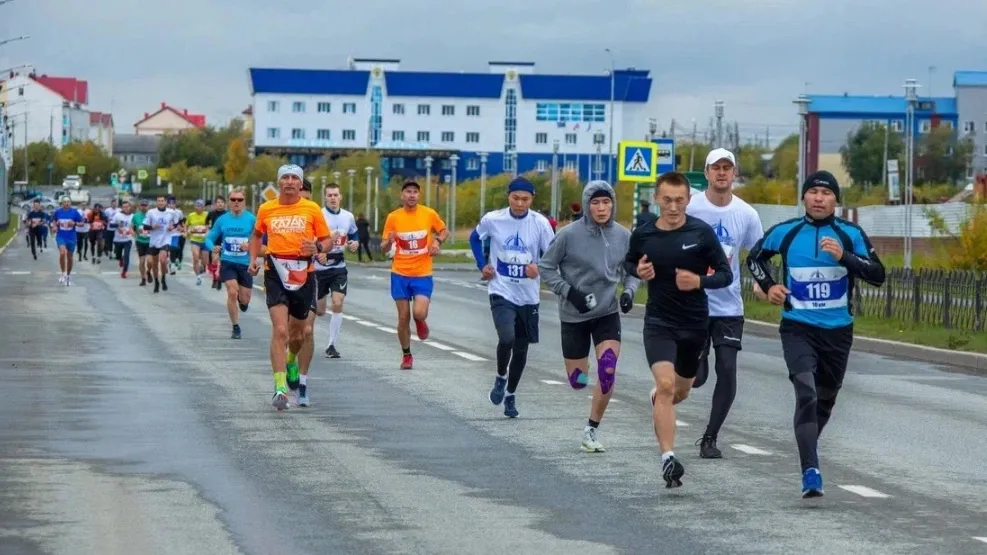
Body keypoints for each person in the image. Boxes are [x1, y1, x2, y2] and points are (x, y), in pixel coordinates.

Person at [746, 170, 885, 498]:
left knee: (825, 400)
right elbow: (754, 258)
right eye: (814, 192)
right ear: (804, 197)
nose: (819, 198)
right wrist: (770, 286)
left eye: (826, 193)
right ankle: (811, 470)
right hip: (798, 329)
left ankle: (808, 449)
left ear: (836, 200)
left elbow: (878, 274)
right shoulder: (787, 232)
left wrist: (844, 257)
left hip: (838, 333)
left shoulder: (849, 233)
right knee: (805, 394)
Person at [623, 171, 732, 488]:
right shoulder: (643, 234)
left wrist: (700, 281)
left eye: (679, 200)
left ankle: (660, 402)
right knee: (667, 385)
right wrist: (638, 270)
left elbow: (726, 274)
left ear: (688, 200)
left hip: (694, 325)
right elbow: (629, 263)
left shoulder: (701, 233)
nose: (673, 207)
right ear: (657, 199)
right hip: (658, 322)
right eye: (667, 200)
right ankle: (668, 459)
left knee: (681, 390)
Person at [539, 180, 640, 449]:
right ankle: (584, 378)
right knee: (578, 381)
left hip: (607, 312)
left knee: (607, 369)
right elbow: (546, 268)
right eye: (595, 202)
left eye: (606, 202)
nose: (601, 207)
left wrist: (629, 292)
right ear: (587, 205)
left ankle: (591, 430)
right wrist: (570, 293)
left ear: (613, 204)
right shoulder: (568, 235)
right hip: (574, 315)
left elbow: (631, 270)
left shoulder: (622, 235)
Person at [685, 148, 764, 459]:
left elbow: (758, 255)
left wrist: (762, 282)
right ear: (706, 173)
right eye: (715, 167)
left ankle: (710, 437)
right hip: (694, 304)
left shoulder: (746, 214)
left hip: (729, 306)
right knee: (698, 376)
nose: (721, 173)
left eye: (727, 168)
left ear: (734, 174)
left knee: (728, 369)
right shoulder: (692, 207)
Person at [470, 176, 554, 418]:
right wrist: (482, 265)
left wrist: (538, 268)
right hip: (501, 289)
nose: (520, 203)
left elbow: (552, 255)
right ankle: (500, 377)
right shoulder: (494, 219)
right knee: (506, 337)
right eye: (515, 198)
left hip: (528, 296)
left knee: (521, 349)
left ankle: (511, 394)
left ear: (532, 199)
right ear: (509, 197)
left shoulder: (540, 224)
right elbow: (475, 238)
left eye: (525, 199)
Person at [248, 165, 330, 411]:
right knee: (280, 330)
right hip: (275, 271)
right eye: (285, 177)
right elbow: (256, 236)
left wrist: (317, 247)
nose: (290, 182)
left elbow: (327, 240)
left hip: (303, 273)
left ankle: (292, 359)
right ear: (279, 182)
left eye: (295, 178)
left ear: (300, 183)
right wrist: (253, 260)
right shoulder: (266, 208)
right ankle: (280, 388)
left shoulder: (311, 208)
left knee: (300, 333)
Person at [380, 181, 449, 370]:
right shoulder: (393, 217)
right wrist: (389, 242)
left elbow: (444, 230)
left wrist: (437, 242)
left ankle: (420, 321)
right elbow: (383, 247)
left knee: (418, 312)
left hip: (422, 273)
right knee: (403, 318)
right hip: (400, 273)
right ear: (402, 195)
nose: (412, 195)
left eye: (415, 192)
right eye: (408, 192)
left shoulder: (428, 214)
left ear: (419, 195)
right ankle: (407, 355)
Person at [314, 183, 359, 358]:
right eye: (329, 195)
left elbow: (354, 234)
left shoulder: (348, 217)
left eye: (335, 195)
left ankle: (331, 344)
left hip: (339, 267)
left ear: (340, 197)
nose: (333, 198)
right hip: (319, 268)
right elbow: (310, 239)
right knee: (320, 311)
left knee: (338, 303)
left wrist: (354, 243)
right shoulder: (319, 215)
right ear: (325, 198)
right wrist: (319, 253)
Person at [205, 188, 256, 340]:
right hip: (228, 261)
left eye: (239, 200)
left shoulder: (252, 219)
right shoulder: (222, 220)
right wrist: (212, 247)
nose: (236, 202)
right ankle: (235, 327)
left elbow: (261, 239)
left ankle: (243, 302)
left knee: (244, 299)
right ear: (229, 201)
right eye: (233, 199)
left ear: (244, 202)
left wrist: (250, 246)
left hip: (245, 263)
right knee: (232, 291)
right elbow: (209, 238)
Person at [143, 195, 179, 293]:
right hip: (154, 241)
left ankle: (163, 279)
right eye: (159, 201)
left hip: (166, 239)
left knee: (163, 260)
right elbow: (145, 226)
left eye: (162, 201)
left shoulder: (171, 212)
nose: (161, 202)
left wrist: (172, 227)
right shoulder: (151, 212)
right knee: (154, 263)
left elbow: (176, 223)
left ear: (165, 202)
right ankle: (156, 282)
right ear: (156, 202)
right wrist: (153, 226)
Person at [51, 197, 84, 285]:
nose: (67, 203)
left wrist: (75, 223)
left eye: (68, 202)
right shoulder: (58, 212)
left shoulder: (74, 212)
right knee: (62, 253)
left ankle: (68, 275)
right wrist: (54, 226)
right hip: (61, 236)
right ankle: (63, 273)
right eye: (65, 202)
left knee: (69, 257)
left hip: (71, 237)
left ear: (70, 203)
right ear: (62, 203)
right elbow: (54, 221)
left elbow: (82, 223)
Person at [186, 199, 210, 285]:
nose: (198, 208)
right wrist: (187, 232)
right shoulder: (191, 215)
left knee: (205, 261)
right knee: (195, 258)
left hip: (205, 241)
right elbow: (187, 225)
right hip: (194, 240)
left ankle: (202, 267)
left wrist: (208, 231)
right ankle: (198, 277)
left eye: (200, 206)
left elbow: (210, 226)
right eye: (197, 206)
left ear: (204, 207)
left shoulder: (207, 215)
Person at [206, 196, 228, 289]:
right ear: (215, 204)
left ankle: (219, 278)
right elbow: (206, 223)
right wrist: (208, 231)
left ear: (225, 204)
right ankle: (215, 278)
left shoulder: (228, 214)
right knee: (214, 260)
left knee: (223, 262)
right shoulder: (211, 214)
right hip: (214, 240)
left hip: (225, 241)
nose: (220, 204)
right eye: (218, 202)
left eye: (222, 202)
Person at [111, 201, 136, 278]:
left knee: (127, 256)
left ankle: (124, 272)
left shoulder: (133, 216)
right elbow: (111, 225)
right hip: (118, 239)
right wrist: (117, 225)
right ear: (122, 207)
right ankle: (120, 258)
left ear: (130, 207)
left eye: (127, 206)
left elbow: (136, 226)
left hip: (128, 240)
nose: (126, 208)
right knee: (117, 256)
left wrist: (134, 231)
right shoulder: (117, 215)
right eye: (124, 207)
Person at [131, 199, 152, 285]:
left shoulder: (152, 215)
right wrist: (133, 233)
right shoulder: (136, 216)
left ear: (148, 206)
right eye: (142, 205)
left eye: (145, 205)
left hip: (150, 241)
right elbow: (131, 227)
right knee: (142, 261)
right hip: (140, 241)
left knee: (150, 261)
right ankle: (143, 278)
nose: (144, 207)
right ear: (140, 206)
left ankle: (149, 272)